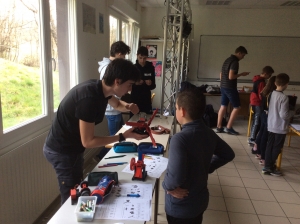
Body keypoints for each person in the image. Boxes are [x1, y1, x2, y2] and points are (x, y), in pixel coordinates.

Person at [43, 59, 148, 205]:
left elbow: (117, 104)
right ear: (117, 81)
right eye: (129, 85)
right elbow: (88, 141)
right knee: (70, 198)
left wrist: (128, 106)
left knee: (78, 188)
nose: (130, 90)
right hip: (62, 151)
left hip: (72, 148)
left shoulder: (101, 89)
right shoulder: (89, 98)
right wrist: (123, 136)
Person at [162, 88, 235, 224]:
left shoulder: (180, 139)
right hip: (199, 201)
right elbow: (228, 154)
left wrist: (166, 186)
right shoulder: (209, 132)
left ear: (182, 111)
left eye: (176, 108)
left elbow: (174, 179)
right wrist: (206, 167)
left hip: (180, 208)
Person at [96, 41, 131, 161]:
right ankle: (103, 157)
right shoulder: (108, 67)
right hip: (111, 110)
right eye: (124, 56)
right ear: (119, 53)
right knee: (115, 138)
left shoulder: (111, 65)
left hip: (115, 107)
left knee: (120, 135)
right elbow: (108, 91)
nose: (124, 58)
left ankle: (104, 156)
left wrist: (125, 105)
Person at [262, 73, 293, 176]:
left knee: (269, 145)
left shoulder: (271, 94)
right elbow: (284, 115)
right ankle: (270, 167)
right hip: (280, 127)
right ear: (287, 84)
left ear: (275, 83)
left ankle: (267, 166)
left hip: (271, 124)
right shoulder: (284, 97)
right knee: (277, 147)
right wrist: (292, 114)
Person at [215, 46, 250, 135]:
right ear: (239, 53)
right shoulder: (235, 62)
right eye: (243, 55)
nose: (243, 57)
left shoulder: (227, 60)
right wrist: (241, 74)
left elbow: (221, 74)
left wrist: (223, 83)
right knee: (237, 107)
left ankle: (219, 127)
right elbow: (231, 77)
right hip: (230, 88)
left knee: (223, 106)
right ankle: (229, 127)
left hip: (223, 86)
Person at [252, 76, 277, 165]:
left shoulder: (264, 92)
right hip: (267, 116)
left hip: (263, 114)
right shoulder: (272, 94)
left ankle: (258, 153)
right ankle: (263, 157)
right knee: (264, 137)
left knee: (261, 134)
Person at [248, 66, 274, 145]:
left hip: (254, 101)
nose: (270, 77)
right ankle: (252, 138)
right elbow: (261, 94)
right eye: (269, 75)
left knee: (256, 120)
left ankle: (253, 137)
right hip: (257, 103)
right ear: (265, 74)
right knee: (257, 121)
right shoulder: (261, 82)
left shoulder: (257, 79)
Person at [131, 46, 156, 115]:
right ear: (137, 56)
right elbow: (128, 86)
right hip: (135, 98)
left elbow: (153, 86)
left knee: (147, 120)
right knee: (134, 119)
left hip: (146, 99)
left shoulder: (150, 67)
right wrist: (135, 83)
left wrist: (150, 83)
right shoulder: (133, 68)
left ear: (147, 57)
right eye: (140, 58)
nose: (142, 60)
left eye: (144, 58)